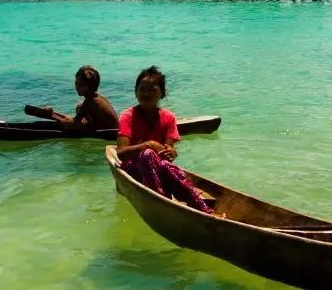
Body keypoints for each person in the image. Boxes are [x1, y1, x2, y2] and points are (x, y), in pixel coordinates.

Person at [115, 66, 213, 213]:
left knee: (166, 166)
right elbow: (121, 153)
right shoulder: (127, 116)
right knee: (148, 154)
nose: (146, 94)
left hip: (158, 170)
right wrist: (148, 145)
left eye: (152, 89)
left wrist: (171, 152)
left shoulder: (168, 118)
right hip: (133, 170)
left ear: (162, 94)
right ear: (135, 91)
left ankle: (204, 210)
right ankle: (162, 203)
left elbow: (168, 153)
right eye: (142, 89)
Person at [44, 65, 118, 131]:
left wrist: (53, 116)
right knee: (79, 107)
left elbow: (73, 123)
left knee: (71, 123)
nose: (77, 87)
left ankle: (52, 114)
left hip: (108, 133)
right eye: (76, 83)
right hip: (109, 127)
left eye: (81, 84)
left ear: (89, 86)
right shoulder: (98, 97)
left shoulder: (90, 102)